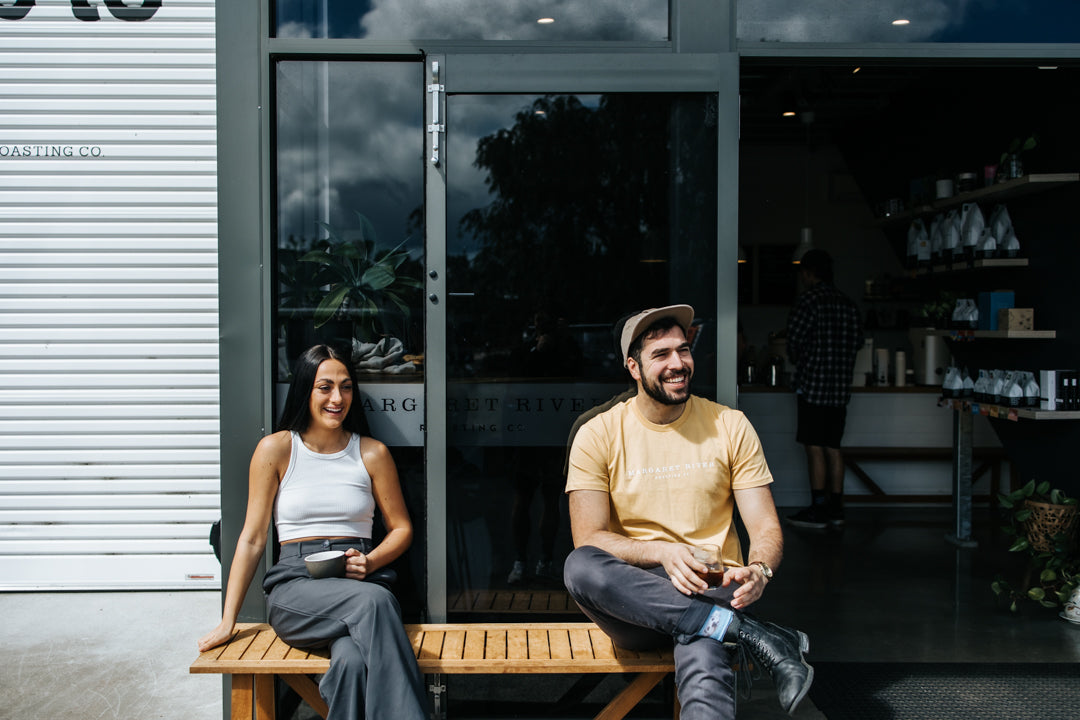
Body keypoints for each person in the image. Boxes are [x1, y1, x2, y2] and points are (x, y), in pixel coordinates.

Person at [563, 305, 813, 719]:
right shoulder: (598, 434)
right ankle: (752, 633)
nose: (678, 364)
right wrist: (661, 552)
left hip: (712, 586)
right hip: (636, 602)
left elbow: (766, 525)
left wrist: (760, 570)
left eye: (683, 350)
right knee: (580, 565)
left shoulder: (729, 426)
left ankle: (727, 626)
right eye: (661, 354)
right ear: (633, 367)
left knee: (704, 651)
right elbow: (588, 536)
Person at [197, 344, 429, 720]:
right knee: (376, 603)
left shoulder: (371, 453)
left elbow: (401, 529)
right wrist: (229, 619)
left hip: (357, 579)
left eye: (347, 386)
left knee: (352, 663)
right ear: (305, 389)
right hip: (297, 587)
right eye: (325, 387)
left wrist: (370, 562)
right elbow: (253, 538)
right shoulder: (276, 449)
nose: (337, 398)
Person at [785, 249, 863, 530]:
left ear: (808, 273)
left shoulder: (808, 302)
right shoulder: (848, 304)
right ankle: (836, 507)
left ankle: (818, 509)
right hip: (839, 389)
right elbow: (857, 343)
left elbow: (793, 343)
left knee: (814, 447)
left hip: (813, 386)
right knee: (833, 447)